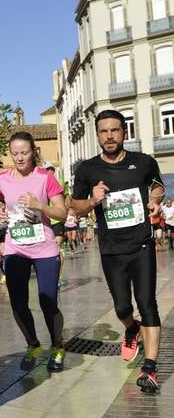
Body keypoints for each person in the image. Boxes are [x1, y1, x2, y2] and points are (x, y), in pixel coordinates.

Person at [71, 109, 165, 394]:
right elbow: (75, 206)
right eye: (104, 131)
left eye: (115, 130)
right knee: (122, 307)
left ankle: (150, 367)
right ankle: (132, 328)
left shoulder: (144, 162)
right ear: (97, 135)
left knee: (147, 303)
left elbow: (158, 186)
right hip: (111, 249)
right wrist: (92, 200)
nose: (109, 136)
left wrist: (155, 201)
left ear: (124, 132)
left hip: (141, 244)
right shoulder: (87, 169)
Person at [0, 132, 67, 372]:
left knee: (48, 301)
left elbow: (62, 213)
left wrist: (39, 205)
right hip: (15, 247)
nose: (19, 158)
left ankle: (57, 346)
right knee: (17, 302)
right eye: (15, 153)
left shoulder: (45, 177)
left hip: (44, 248)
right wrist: (1, 213)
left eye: (24, 153)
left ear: (33, 152)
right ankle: (33, 344)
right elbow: (1, 203)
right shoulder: (2, 179)